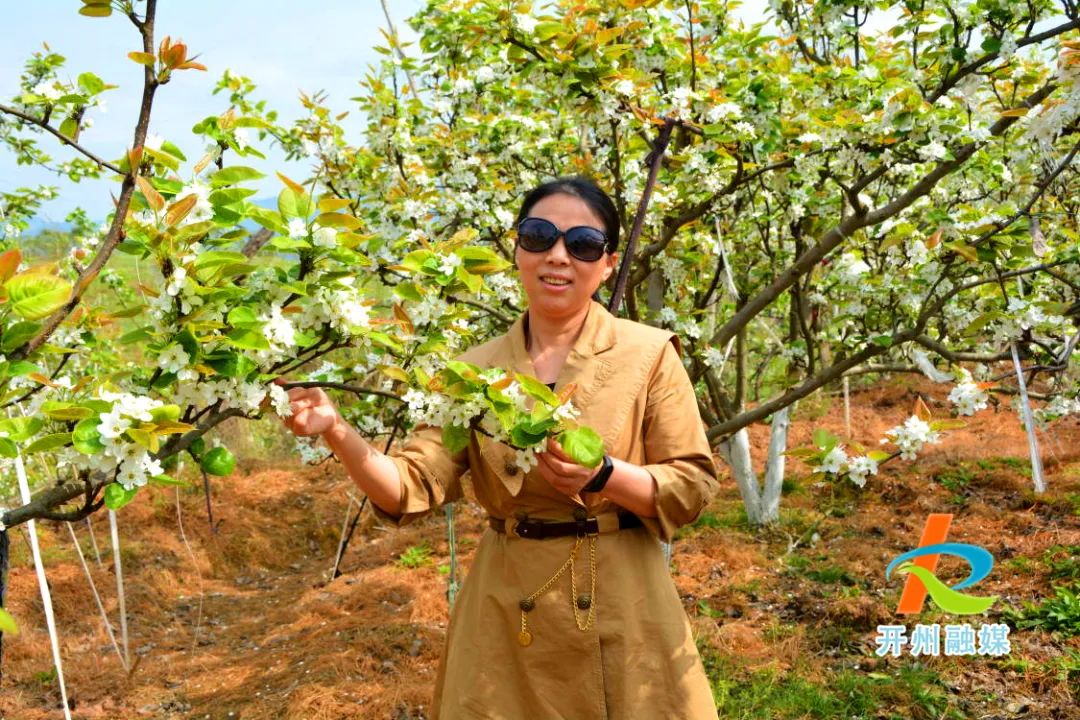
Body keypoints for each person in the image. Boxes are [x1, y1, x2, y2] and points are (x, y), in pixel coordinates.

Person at [279, 177, 721, 719]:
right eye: (539, 236)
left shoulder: (647, 353)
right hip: (507, 604)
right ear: (517, 248)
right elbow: (412, 485)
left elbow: (693, 485)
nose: (557, 256)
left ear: (606, 264)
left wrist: (605, 475)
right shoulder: (473, 371)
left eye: (581, 243)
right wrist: (337, 431)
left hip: (620, 595)